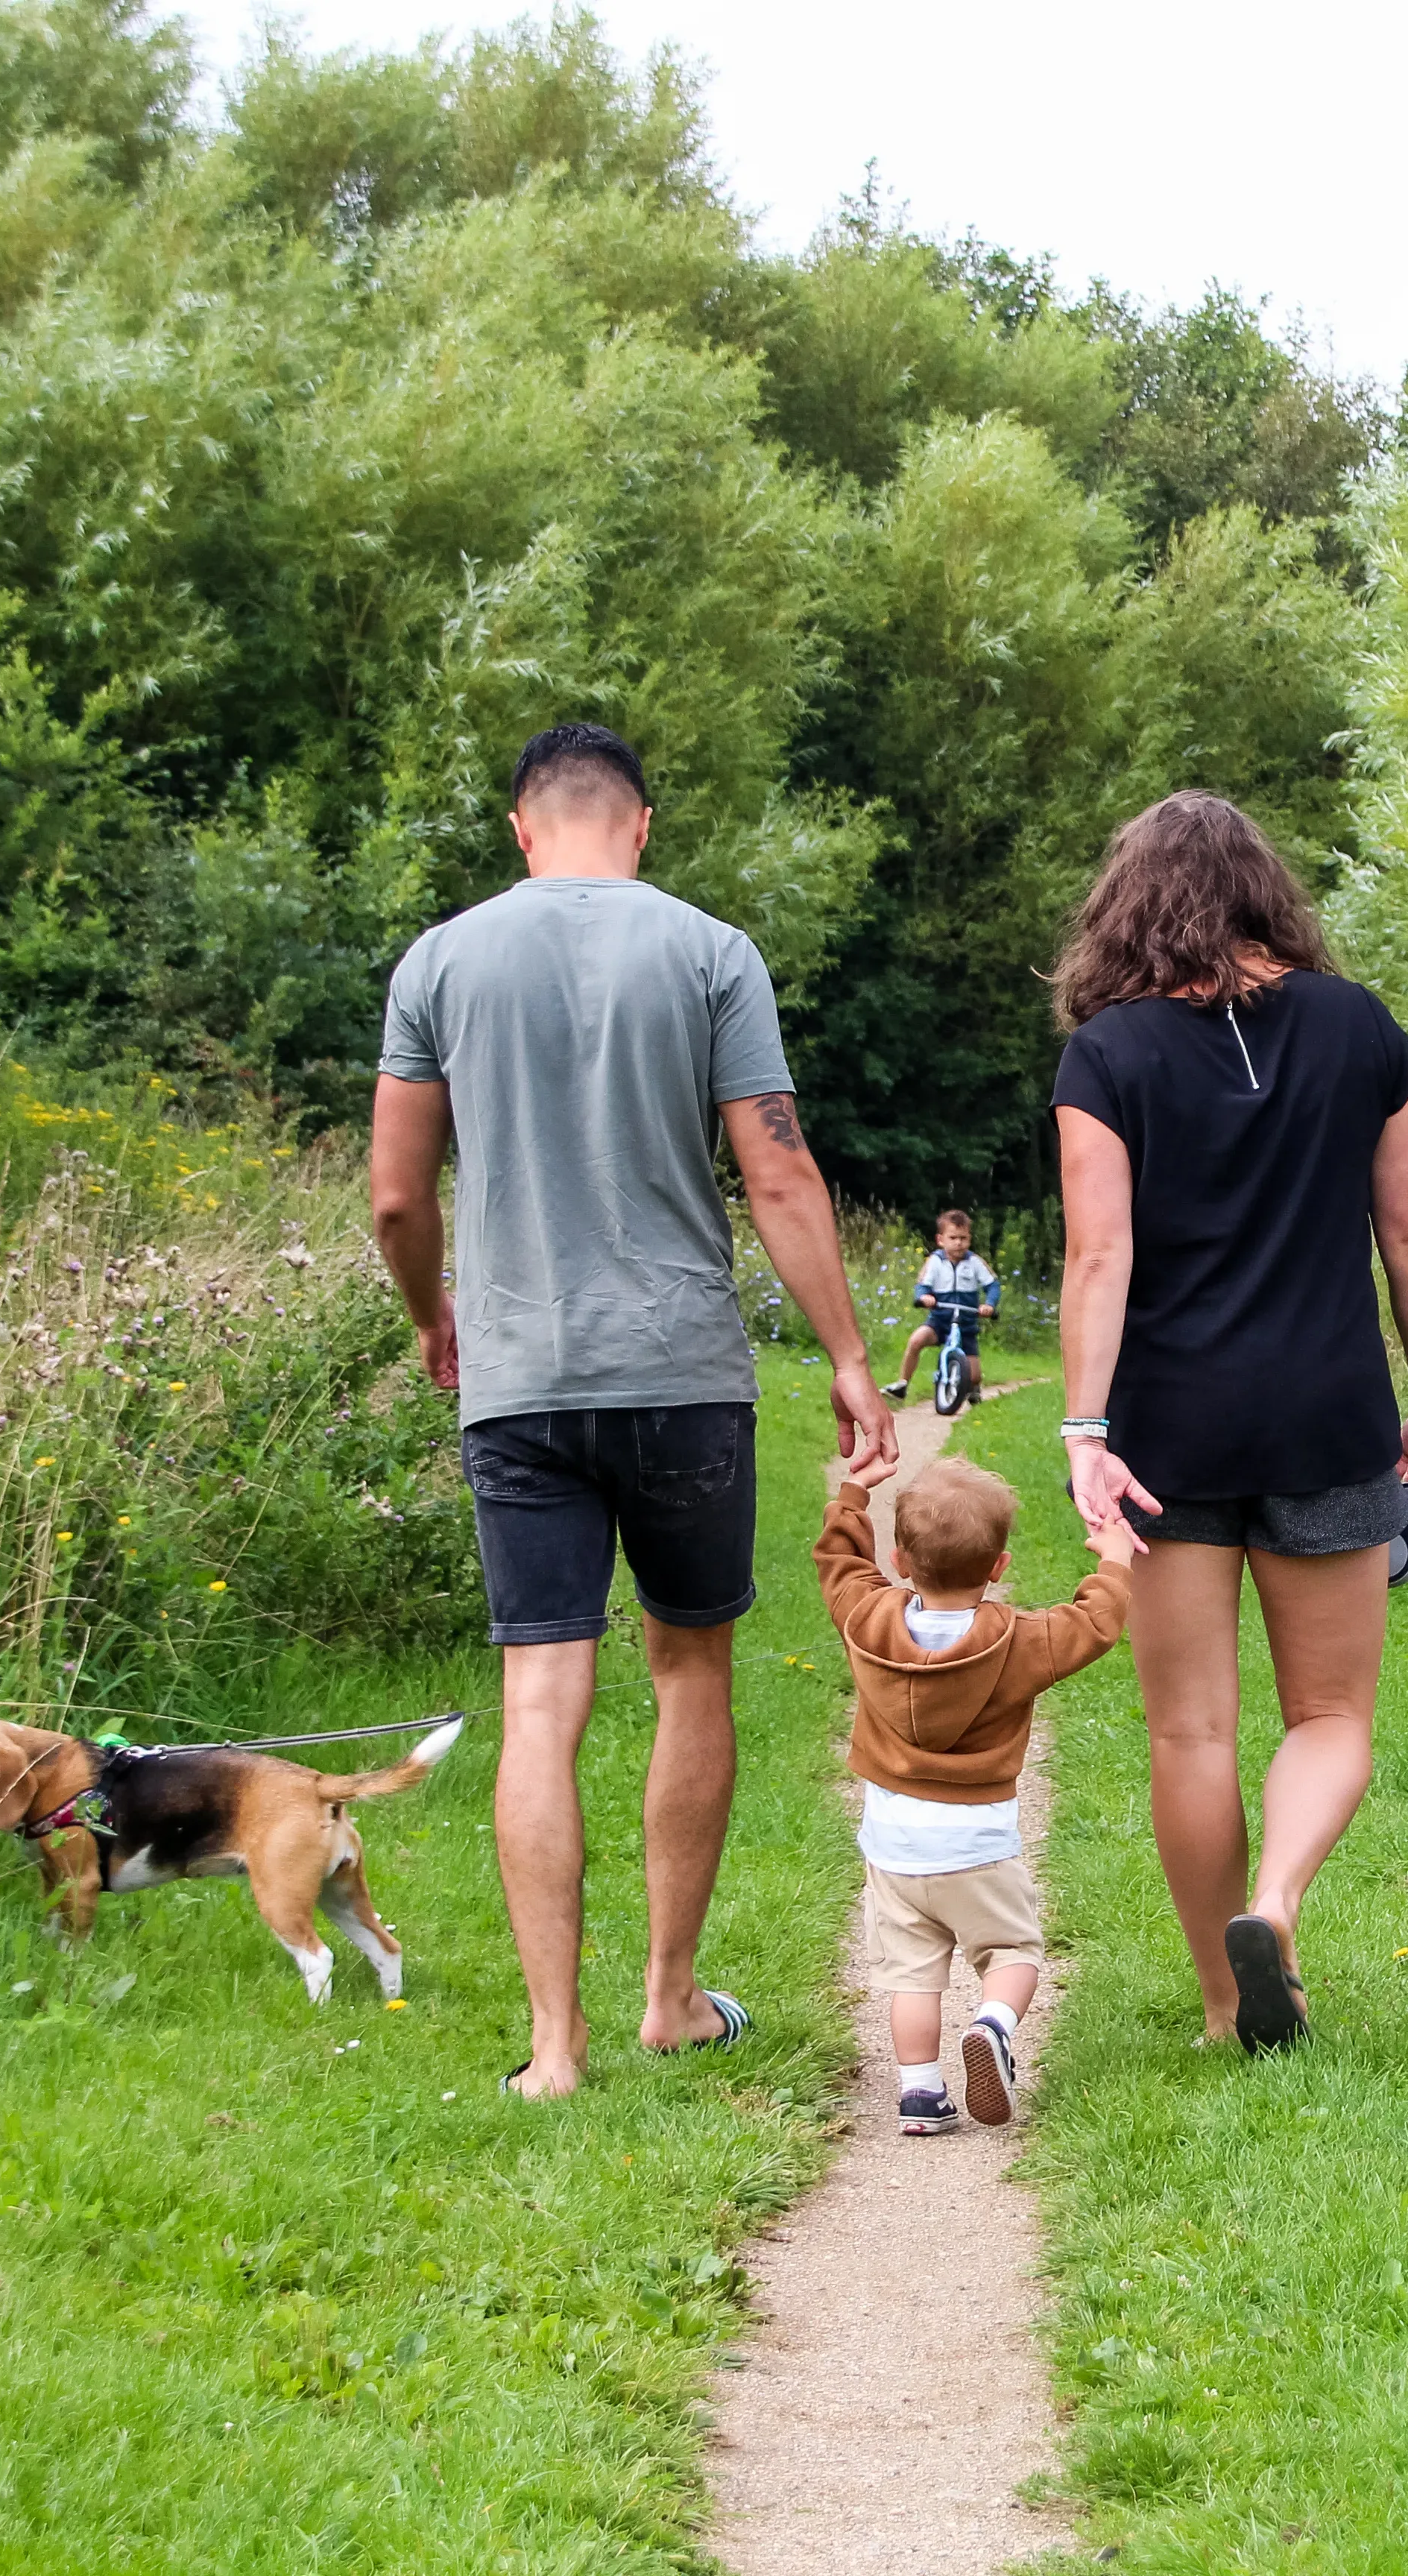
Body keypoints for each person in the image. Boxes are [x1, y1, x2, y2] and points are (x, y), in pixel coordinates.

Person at [369, 721, 898, 2100]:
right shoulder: (712, 952)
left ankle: (555, 2048)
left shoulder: (438, 961)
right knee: (689, 1670)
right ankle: (669, 1997)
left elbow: (393, 1194)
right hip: (679, 1374)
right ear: (642, 824)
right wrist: (845, 1352)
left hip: (519, 1378)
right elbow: (777, 1173)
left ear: (520, 824)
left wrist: (434, 1313)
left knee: (540, 1695)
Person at [1052, 789, 1408, 2053]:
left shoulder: (1105, 1054)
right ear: (1269, 891)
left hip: (1170, 1429)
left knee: (1190, 1728)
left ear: (1127, 902)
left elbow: (1096, 1256)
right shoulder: (1360, 1030)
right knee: (1330, 1720)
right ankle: (1275, 1903)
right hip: (1330, 1409)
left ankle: (1230, 2010)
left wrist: (1082, 1428)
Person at [814, 1451, 1131, 2130]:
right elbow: (1094, 1626)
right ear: (998, 1567)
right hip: (978, 1842)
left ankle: (920, 2094)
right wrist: (1114, 1560)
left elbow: (838, 1567)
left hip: (895, 1847)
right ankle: (993, 2024)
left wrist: (851, 1498)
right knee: (1012, 1952)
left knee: (911, 1974)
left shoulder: (866, 1622)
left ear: (900, 1560)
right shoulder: (1016, 1642)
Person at [881, 1207, 1003, 1404]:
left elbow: (993, 1285)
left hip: (966, 1323)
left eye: (963, 1238)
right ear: (941, 1239)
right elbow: (922, 1286)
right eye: (953, 1238)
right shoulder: (935, 1262)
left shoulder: (975, 1263)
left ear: (969, 1239)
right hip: (939, 1321)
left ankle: (973, 1388)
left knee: (974, 1376)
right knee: (916, 1341)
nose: (958, 1243)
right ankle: (902, 1384)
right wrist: (925, 1297)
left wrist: (989, 1304)